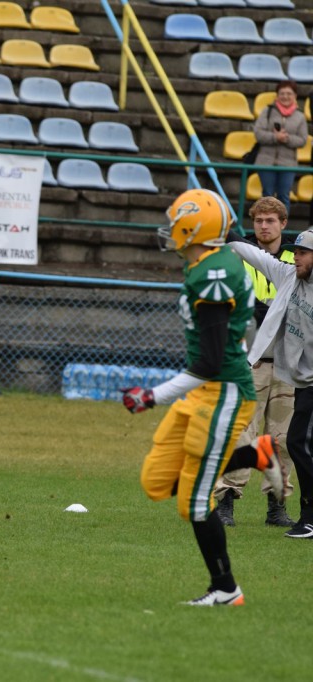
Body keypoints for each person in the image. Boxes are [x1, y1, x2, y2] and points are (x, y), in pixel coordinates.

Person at [121, 188, 283, 606]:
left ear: (194, 227)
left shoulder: (214, 274)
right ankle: (254, 454)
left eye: (178, 223)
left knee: (195, 498)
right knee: (157, 480)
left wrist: (151, 395)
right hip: (206, 389)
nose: (172, 230)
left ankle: (225, 588)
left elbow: (210, 362)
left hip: (224, 390)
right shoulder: (207, 264)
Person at [215, 197, 296, 528]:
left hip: (290, 364)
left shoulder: (298, 256)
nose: (264, 226)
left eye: (270, 220)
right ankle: (226, 501)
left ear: (283, 223)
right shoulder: (239, 254)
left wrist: (266, 308)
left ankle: (276, 504)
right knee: (241, 433)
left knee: (283, 438)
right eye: (259, 220)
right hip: (249, 361)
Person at [228, 223, 313, 539]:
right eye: (297, 251)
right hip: (302, 381)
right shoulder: (289, 275)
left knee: (297, 444)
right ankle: (308, 516)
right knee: (297, 443)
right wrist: (226, 233)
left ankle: (308, 516)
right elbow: (252, 254)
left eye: (303, 253)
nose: (296, 257)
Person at [253, 79, 308, 215]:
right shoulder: (267, 111)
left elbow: (302, 140)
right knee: (267, 196)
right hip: (265, 162)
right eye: (282, 93)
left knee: (284, 197)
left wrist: (286, 138)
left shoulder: (300, 117)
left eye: (289, 93)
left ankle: (281, 230)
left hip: (288, 164)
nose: (285, 96)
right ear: (277, 95)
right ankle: (264, 227)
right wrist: (275, 137)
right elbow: (258, 133)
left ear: (295, 96)